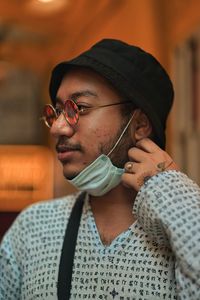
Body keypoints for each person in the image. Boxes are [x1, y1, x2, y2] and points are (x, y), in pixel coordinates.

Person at [0, 39, 200, 300]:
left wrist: (171, 190)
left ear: (139, 124)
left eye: (79, 108)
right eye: (57, 111)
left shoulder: (181, 229)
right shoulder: (34, 228)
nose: (57, 128)